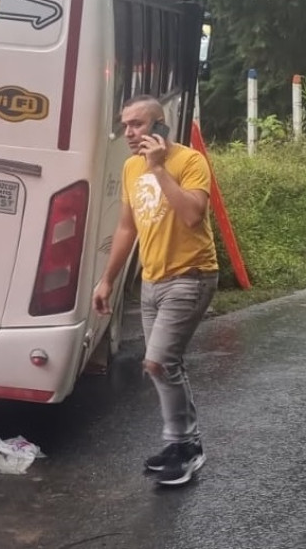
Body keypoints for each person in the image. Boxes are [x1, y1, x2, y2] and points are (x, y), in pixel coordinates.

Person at [93, 95, 219, 485]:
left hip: (191, 275)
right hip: (152, 279)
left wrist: (160, 169)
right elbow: (127, 228)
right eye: (125, 125)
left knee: (158, 363)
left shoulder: (189, 161)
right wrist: (108, 279)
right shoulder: (130, 168)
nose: (129, 133)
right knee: (167, 366)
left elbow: (192, 215)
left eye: (138, 124)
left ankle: (182, 447)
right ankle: (187, 444)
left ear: (160, 126)